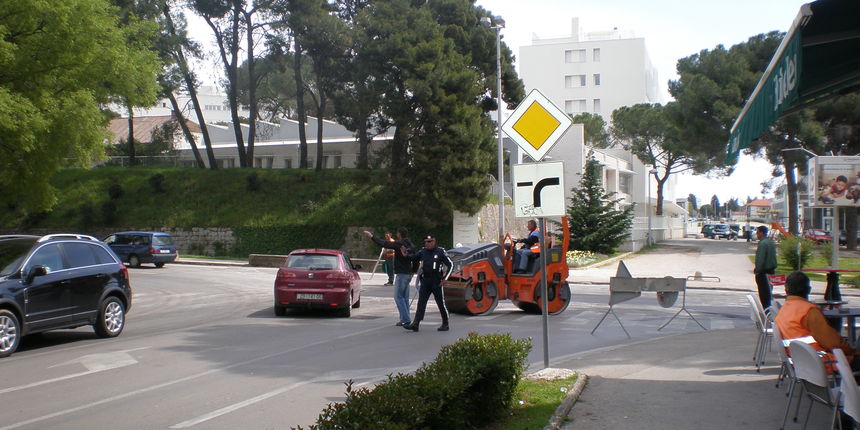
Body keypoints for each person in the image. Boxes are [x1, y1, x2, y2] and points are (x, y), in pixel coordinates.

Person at [774, 271, 858, 367]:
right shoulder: (808, 311)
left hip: (799, 362)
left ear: (786, 290)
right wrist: (853, 351)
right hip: (822, 362)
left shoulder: (782, 311)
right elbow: (833, 343)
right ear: (808, 289)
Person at [363, 228, 416, 326]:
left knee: (398, 297)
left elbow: (385, 244)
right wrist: (414, 270)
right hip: (409, 273)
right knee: (404, 297)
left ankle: (406, 319)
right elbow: (416, 256)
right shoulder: (410, 244)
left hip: (402, 273)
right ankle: (404, 318)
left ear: (399, 234)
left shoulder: (399, 243)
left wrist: (372, 236)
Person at [400, 234, 452, 332]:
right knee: (421, 303)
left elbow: (450, 264)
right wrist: (406, 255)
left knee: (441, 303)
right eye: (426, 242)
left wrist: (445, 278)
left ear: (434, 241)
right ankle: (416, 323)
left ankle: (445, 323)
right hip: (425, 281)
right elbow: (413, 257)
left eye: (430, 241)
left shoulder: (440, 251)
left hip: (437, 281)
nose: (428, 243)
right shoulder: (423, 251)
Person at [754, 225, 777, 310]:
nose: (756, 234)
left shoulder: (763, 244)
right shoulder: (770, 242)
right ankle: (769, 311)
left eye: (758, 232)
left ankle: (766, 313)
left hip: (763, 272)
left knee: (764, 295)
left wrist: (757, 270)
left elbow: (760, 258)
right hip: (771, 271)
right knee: (769, 294)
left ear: (762, 233)